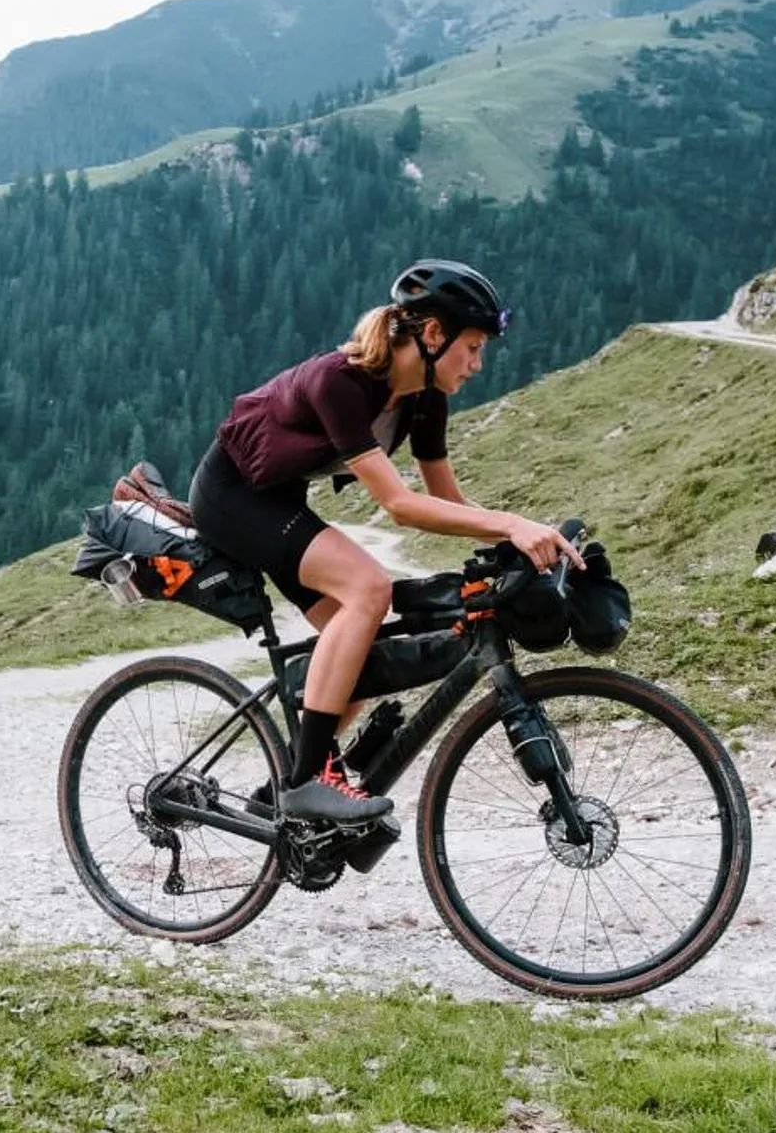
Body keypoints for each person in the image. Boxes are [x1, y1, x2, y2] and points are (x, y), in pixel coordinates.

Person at [188, 259, 585, 824]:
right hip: (232, 499)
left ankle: (280, 802)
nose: (477, 364)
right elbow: (400, 506)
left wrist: (520, 535)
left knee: (362, 650)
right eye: (471, 347)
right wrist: (511, 524)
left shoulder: (425, 399)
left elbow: (444, 498)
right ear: (431, 334)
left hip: (278, 502)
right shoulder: (342, 383)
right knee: (369, 589)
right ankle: (308, 782)